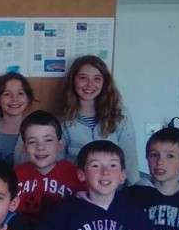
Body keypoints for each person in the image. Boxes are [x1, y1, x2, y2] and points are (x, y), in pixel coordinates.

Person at [31, 140, 167, 230]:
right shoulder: (65, 211)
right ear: (81, 174)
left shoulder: (134, 213)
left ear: (122, 175)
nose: (105, 172)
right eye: (95, 165)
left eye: (113, 165)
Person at [60, 55, 139, 184]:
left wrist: (134, 188)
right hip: (77, 187)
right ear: (73, 80)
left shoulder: (120, 114)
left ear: (105, 82)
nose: (90, 84)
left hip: (112, 188)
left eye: (97, 79)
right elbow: (59, 161)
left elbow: (129, 155)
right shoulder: (63, 117)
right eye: (83, 78)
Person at [14, 110, 84, 230]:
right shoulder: (14, 175)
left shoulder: (76, 175)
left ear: (60, 145)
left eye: (48, 140)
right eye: (32, 142)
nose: (40, 147)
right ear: (24, 148)